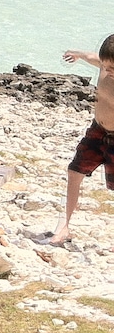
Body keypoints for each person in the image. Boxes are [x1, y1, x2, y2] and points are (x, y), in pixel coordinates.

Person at [49, 35, 114, 244]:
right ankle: (64, 226)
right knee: (74, 170)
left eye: (112, 67)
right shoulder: (105, 64)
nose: (107, 70)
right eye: (105, 66)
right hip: (98, 130)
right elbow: (92, 57)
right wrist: (77, 55)